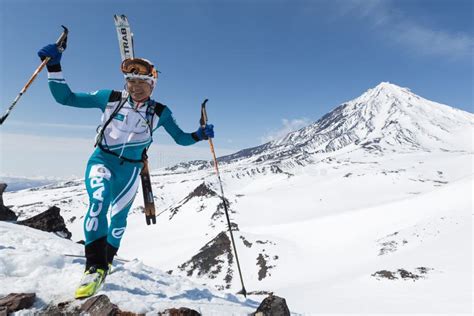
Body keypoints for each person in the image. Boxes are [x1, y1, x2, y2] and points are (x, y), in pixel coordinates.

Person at [37, 42, 214, 299]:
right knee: (98, 202)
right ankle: (94, 268)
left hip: (131, 171)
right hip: (102, 161)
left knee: (119, 219)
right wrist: (54, 66)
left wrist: (199, 134)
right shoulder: (109, 98)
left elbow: (181, 139)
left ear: (152, 85)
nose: (135, 86)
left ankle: (106, 261)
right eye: (131, 80)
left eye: (142, 82)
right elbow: (66, 98)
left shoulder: (160, 112)